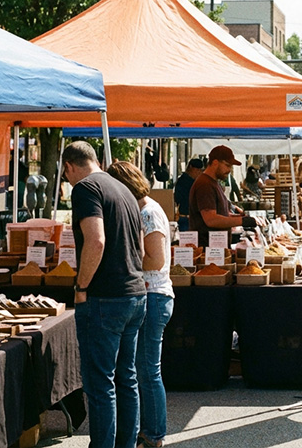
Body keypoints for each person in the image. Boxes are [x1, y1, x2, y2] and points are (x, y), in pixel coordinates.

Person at [62, 141, 147, 448]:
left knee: (101, 385)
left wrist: (81, 286)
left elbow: (95, 241)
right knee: (126, 380)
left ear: (70, 166)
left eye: (65, 174)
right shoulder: (123, 188)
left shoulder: (85, 189)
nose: (67, 180)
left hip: (105, 298)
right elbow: (138, 241)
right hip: (134, 293)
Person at [106, 161, 174, 448]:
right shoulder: (144, 210)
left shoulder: (148, 212)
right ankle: (149, 430)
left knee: (147, 370)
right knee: (142, 368)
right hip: (151, 294)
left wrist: (125, 261)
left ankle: (155, 433)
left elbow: (155, 259)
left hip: (154, 295)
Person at [190, 146, 264, 247]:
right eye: (227, 165)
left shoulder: (213, 183)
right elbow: (211, 220)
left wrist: (241, 217)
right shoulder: (205, 184)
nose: (229, 170)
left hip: (216, 249)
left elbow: (221, 214)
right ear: (215, 162)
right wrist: (242, 221)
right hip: (207, 251)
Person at [174, 158, 204, 231]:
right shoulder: (182, 181)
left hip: (194, 218)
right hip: (185, 218)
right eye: (197, 170)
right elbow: (177, 198)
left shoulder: (197, 182)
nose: (198, 173)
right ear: (190, 167)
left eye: (200, 171)